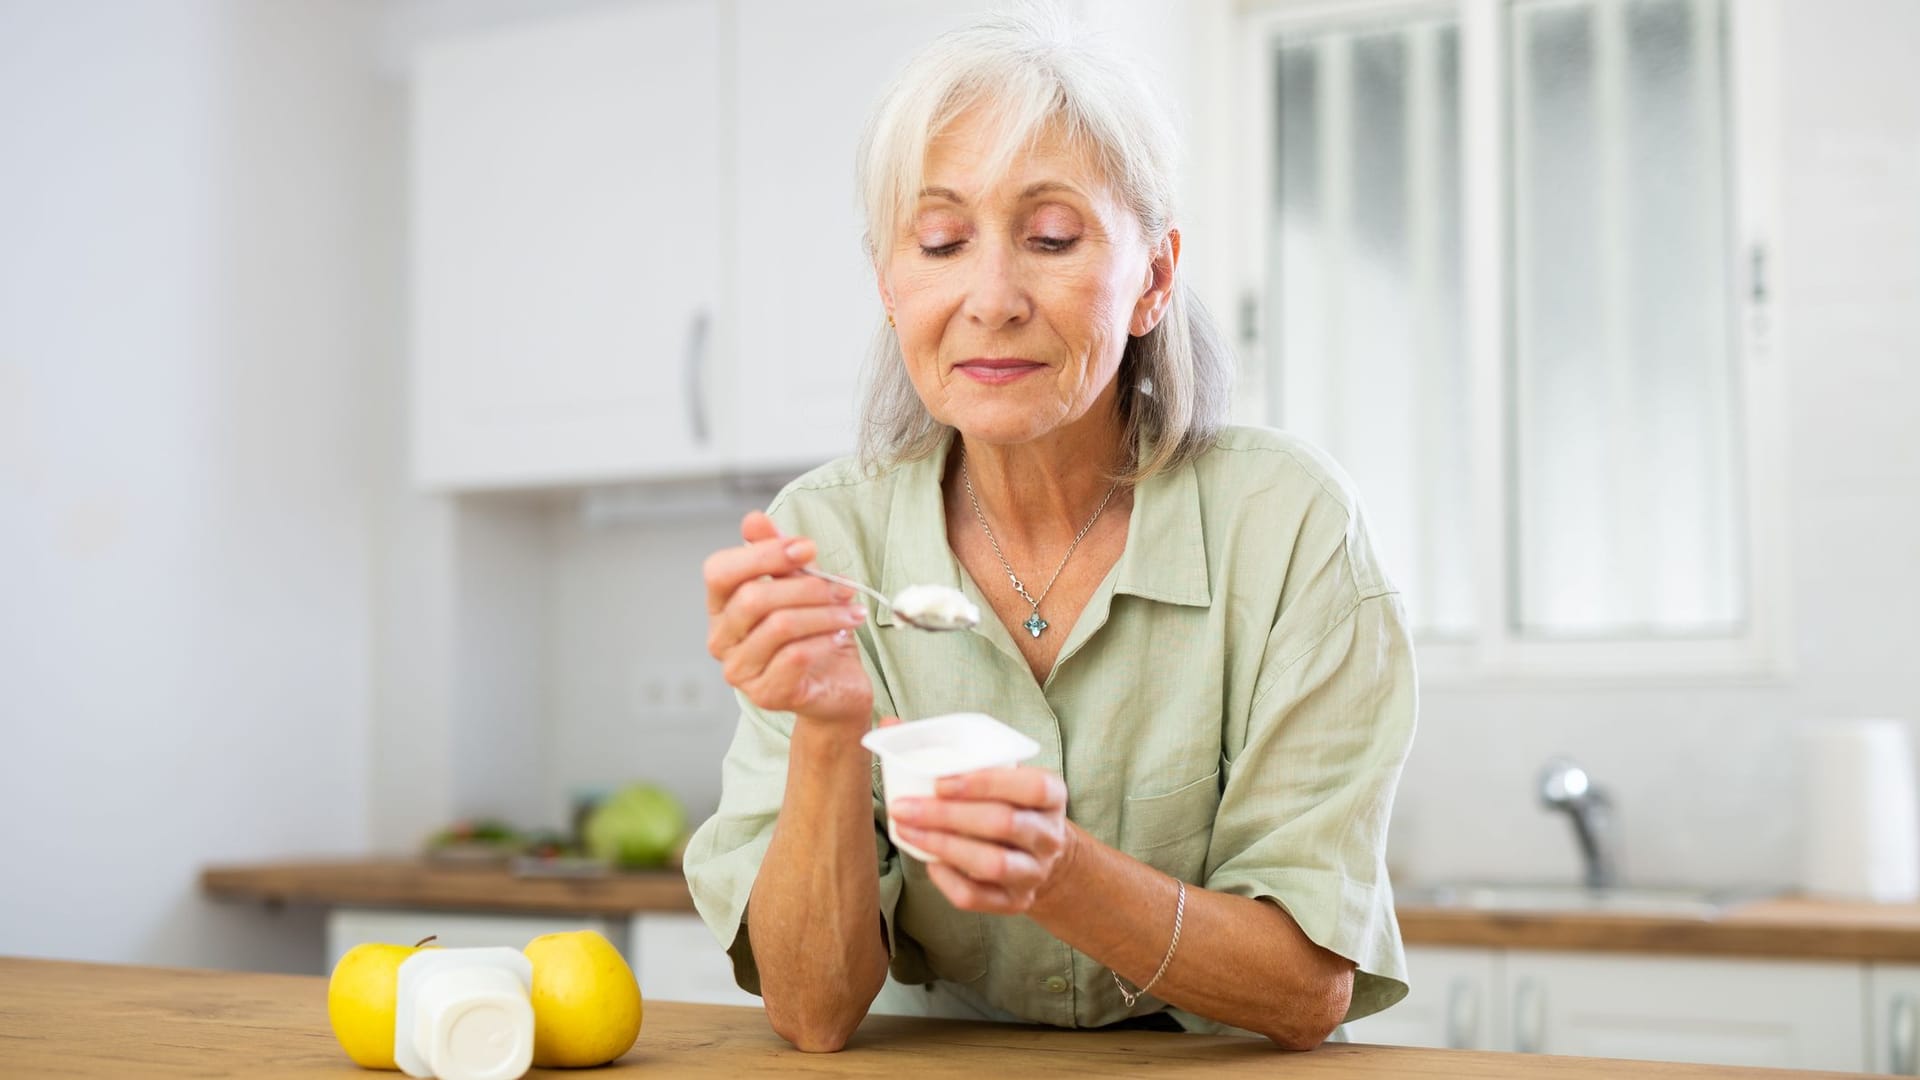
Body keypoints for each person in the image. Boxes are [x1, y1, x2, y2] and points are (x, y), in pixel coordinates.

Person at [685, 8, 1415, 1053]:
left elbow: (1305, 991)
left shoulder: (1289, 528)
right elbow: (809, 1011)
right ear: (891, 287)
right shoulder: (825, 538)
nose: (990, 298)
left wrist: (1061, 876)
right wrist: (829, 735)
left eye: (1052, 238)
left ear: (1154, 278)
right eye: (941, 242)